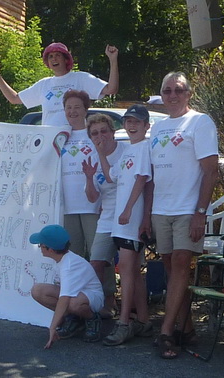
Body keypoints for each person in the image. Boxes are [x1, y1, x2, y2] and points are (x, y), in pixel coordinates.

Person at [143, 72, 219, 359]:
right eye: (167, 91)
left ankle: (166, 332)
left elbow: (211, 170)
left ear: (188, 94)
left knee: (180, 263)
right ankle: (187, 329)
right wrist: (147, 214)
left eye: (178, 90)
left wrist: (201, 212)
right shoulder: (159, 128)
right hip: (161, 209)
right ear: (161, 96)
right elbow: (151, 177)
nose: (172, 95)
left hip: (189, 209)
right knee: (172, 270)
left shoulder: (200, 122)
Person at [97, 105, 152, 346]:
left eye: (136, 122)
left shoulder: (144, 148)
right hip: (121, 221)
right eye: (128, 121)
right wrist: (100, 153)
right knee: (132, 273)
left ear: (146, 126)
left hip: (131, 220)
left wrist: (129, 209)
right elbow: (112, 176)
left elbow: (142, 180)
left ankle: (124, 323)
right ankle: (144, 320)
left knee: (127, 272)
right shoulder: (128, 150)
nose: (131, 126)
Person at [0, 42, 118, 126]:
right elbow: (14, 99)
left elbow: (111, 89)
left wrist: (113, 60)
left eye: (57, 55)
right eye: (50, 56)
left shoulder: (80, 78)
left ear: (66, 59)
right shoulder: (44, 84)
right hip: (50, 141)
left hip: (75, 140)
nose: (54, 59)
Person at [30, 224, 104, 348]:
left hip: (92, 296)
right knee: (37, 290)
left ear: (51, 250)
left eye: (41, 245)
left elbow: (64, 298)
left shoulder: (68, 265)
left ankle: (92, 318)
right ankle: (74, 319)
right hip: (77, 295)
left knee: (73, 303)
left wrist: (52, 327)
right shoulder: (61, 259)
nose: (40, 248)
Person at [82, 113, 125, 319]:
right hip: (107, 216)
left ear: (112, 132)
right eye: (95, 133)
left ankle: (128, 310)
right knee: (96, 263)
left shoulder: (126, 151)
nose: (100, 136)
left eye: (104, 131)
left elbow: (113, 178)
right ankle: (96, 308)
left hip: (128, 216)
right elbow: (92, 198)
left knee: (128, 267)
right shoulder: (91, 158)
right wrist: (89, 179)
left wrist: (100, 154)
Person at [60, 91, 100, 261]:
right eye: (68, 107)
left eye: (77, 107)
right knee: (72, 256)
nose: (72, 111)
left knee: (97, 254)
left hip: (92, 205)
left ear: (86, 110)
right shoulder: (60, 136)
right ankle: (75, 288)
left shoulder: (94, 134)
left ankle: (104, 288)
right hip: (67, 206)